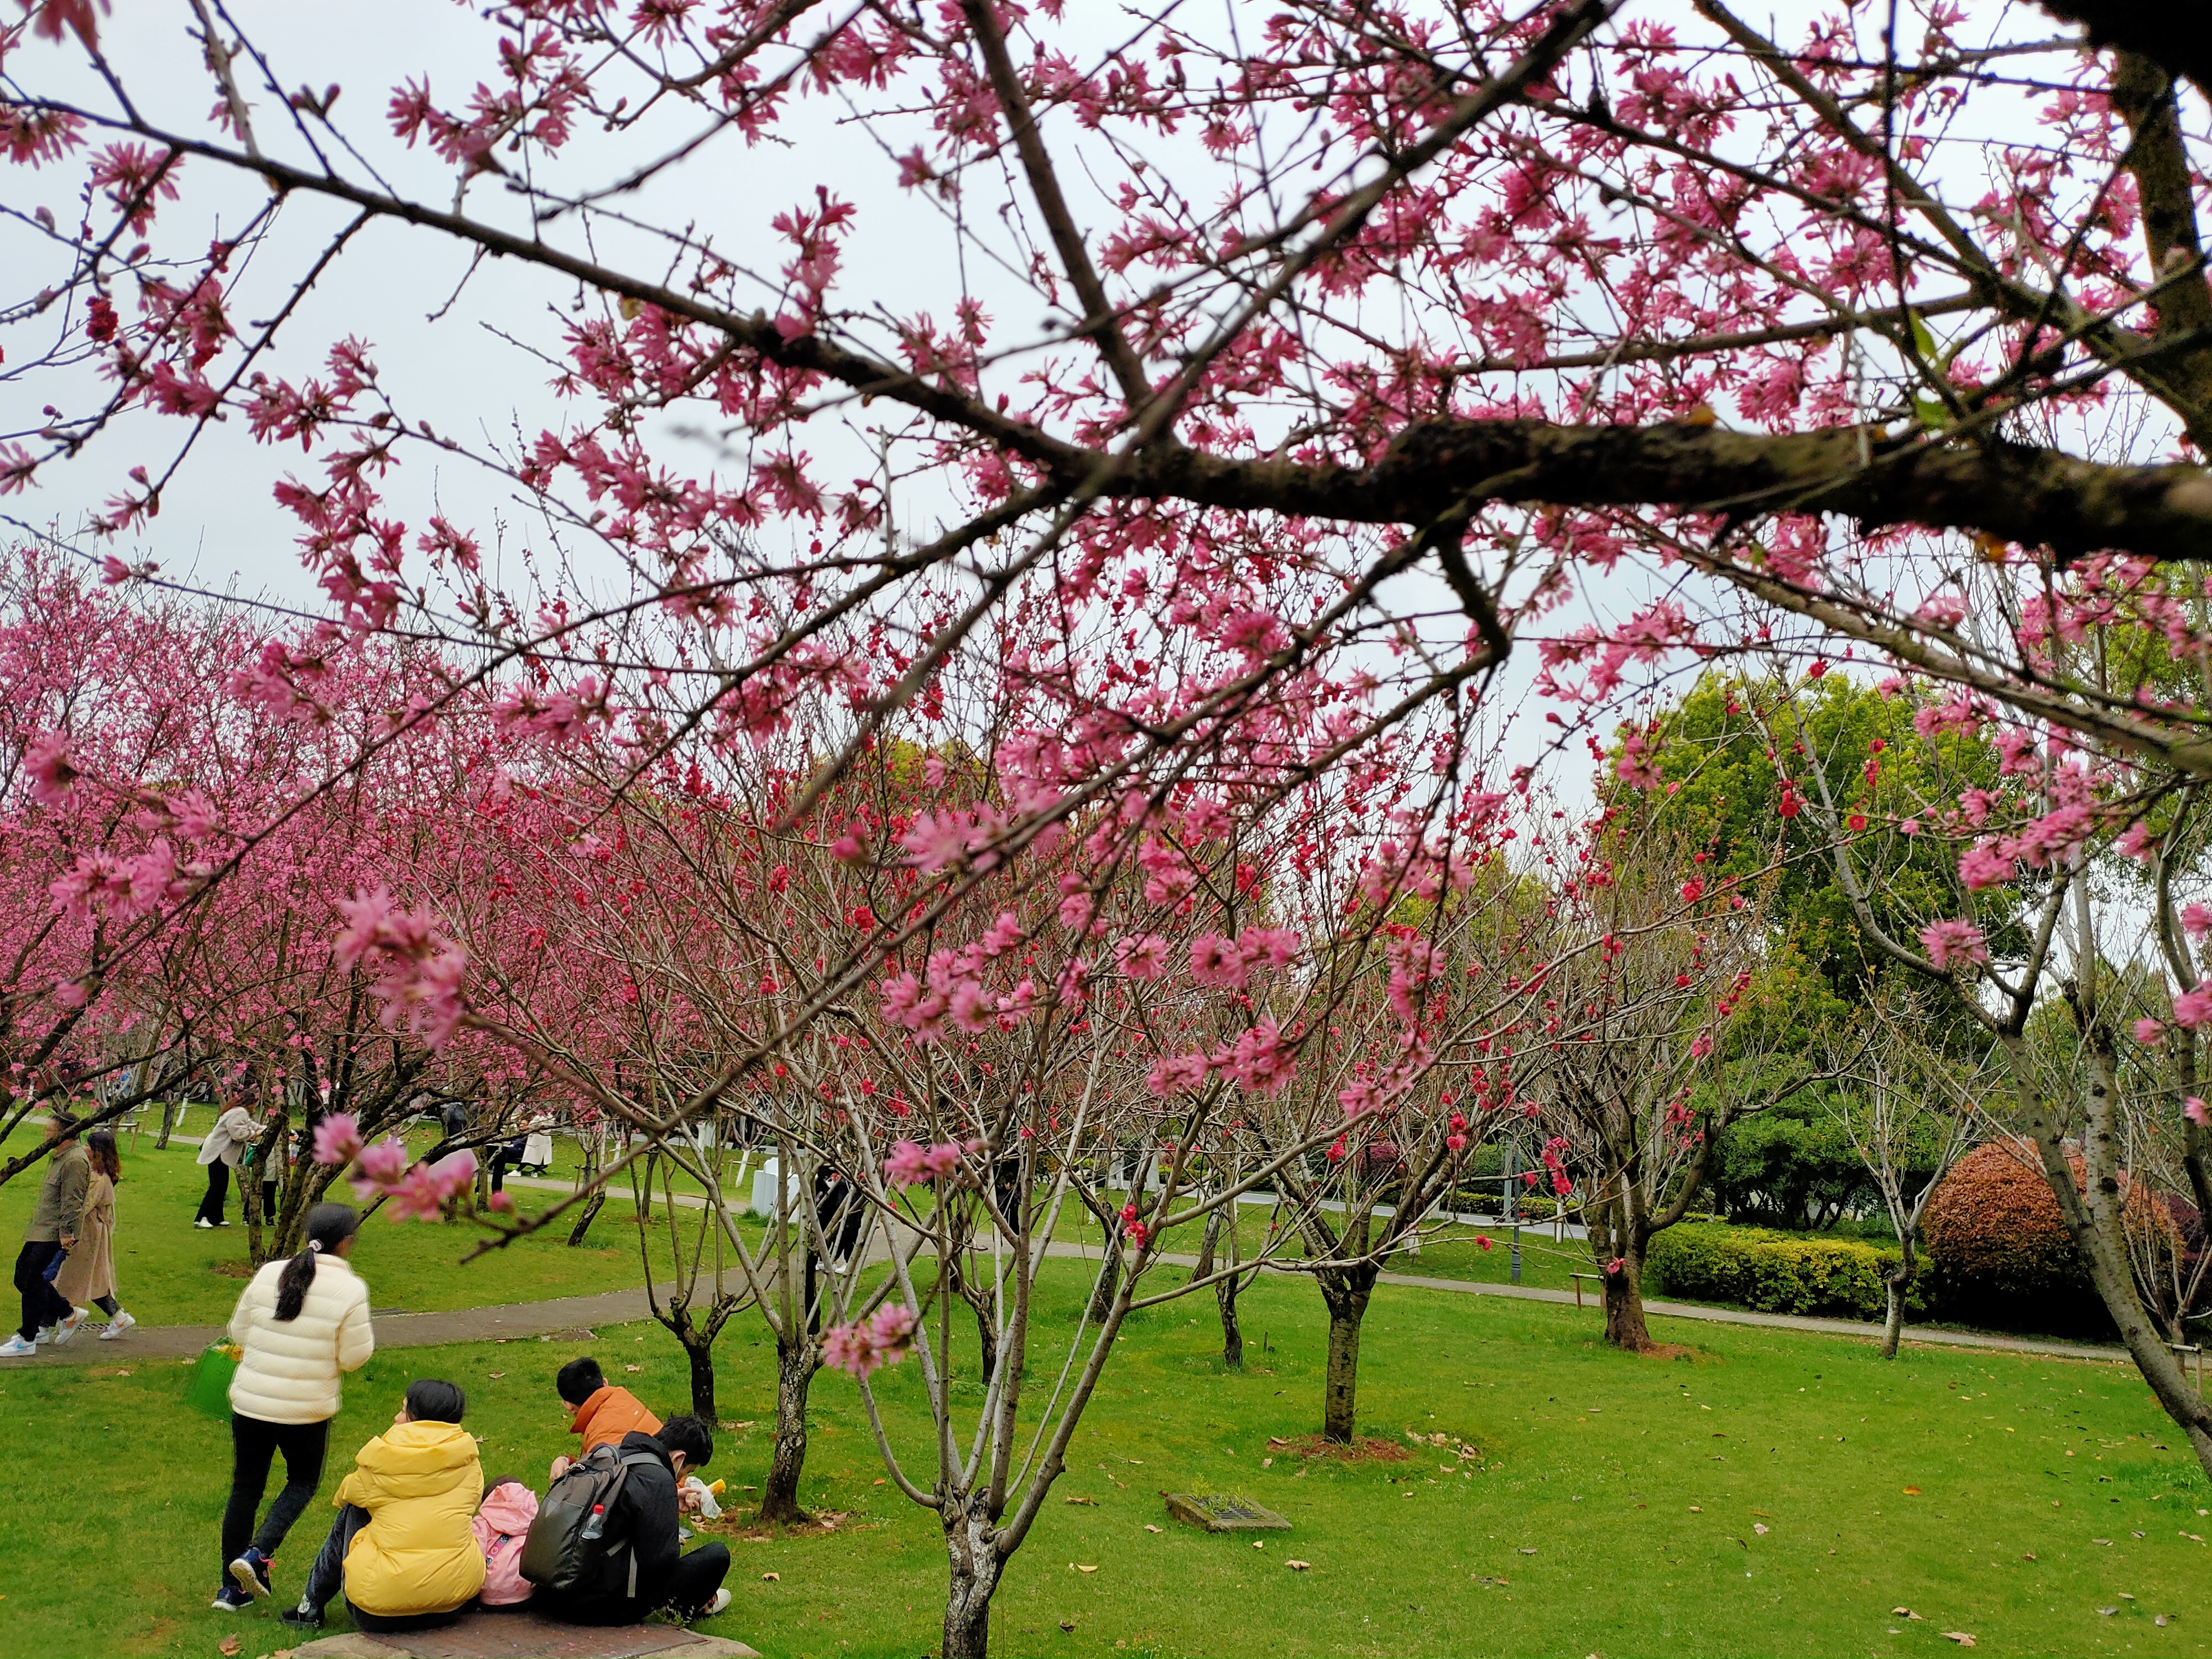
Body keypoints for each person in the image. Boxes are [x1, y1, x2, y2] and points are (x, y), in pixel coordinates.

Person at [216, 1203, 375, 1612]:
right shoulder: (350, 1289)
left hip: (251, 1403)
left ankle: (231, 1591)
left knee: (245, 1488)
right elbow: (354, 1357)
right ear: (347, 1243)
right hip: (305, 1411)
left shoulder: (271, 1273)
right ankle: (259, 1553)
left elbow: (238, 1330)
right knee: (302, 1481)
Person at [283, 1379, 484, 1632]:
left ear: (415, 1418)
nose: (397, 1417)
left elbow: (343, 1495)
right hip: (453, 1604)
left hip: (378, 1613)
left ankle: (310, 1606)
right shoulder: (469, 1464)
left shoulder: (383, 1460)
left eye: (403, 1410)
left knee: (354, 1508)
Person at [534, 1416, 731, 1626]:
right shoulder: (658, 1479)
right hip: (594, 1606)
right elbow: (660, 1566)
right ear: (678, 1458)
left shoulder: (607, 1454)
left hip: (550, 1591)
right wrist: (667, 1517)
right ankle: (683, 1609)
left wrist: (668, 1504)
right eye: (687, 1471)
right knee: (717, 1555)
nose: (681, 1477)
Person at [3, 1110, 91, 1357]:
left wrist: (67, 1234)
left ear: (65, 1134)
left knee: (32, 1280)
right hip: (40, 1228)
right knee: (24, 1277)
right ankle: (67, 1314)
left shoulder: (74, 1160)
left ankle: (27, 1338)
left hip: (54, 1232)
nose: (45, 1135)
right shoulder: (59, 1156)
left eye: (49, 1131)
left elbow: (73, 1201)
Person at [56, 1130, 133, 1340]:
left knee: (70, 1277)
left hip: (89, 1233)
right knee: (77, 1278)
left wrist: (65, 1224)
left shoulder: (99, 1178)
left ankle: (49, 1323)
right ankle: (44, 1325)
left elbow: (84, 1205)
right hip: (88, 1231)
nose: (84, 1148)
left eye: (89, 1145)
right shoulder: (93, 1171)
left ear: (97, 1151)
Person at [551, 1355, 661, 1481]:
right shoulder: (625, 1399)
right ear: (605, 1383)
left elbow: (593, 1484)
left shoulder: (600, 1437)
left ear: (569, 1407)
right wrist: (567, 1461)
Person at [196, 1084, 261, 1229]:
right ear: (251, 1102)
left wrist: (261, 1129)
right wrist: (253, 1135)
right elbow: (238, 1134)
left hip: (220, 1152)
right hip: (218, 1152)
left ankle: (216, 1217)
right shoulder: (239, 1112)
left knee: (222, 1185)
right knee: (217, 1186)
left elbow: (250, 1124)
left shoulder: (239, 1111)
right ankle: (202, 1217)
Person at [472, 1476, 539, 1608]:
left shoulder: (482, 1524)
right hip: (527, 1595)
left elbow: (474, 1556)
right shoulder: (532, 1519)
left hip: (487, 1598)